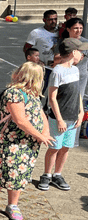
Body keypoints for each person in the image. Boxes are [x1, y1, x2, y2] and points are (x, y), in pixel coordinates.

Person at [0, 62, 54, 220]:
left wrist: (45, 132)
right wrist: (40, 135)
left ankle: (12, 205)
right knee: (5, 176)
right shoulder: (14, 93)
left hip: (29, 143)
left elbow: (42, 114)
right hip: (12, 143)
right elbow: (20, 120)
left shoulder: (33, 94)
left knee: (21, 176)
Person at [37, 39, 88, 192]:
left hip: (73, 118)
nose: (82, 54)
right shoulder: (58, 71)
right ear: (73, 53)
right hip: (59, 118)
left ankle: (57, 174)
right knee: (54, 147)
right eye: (80, 51)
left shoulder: (75, 70)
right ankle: (46, 174)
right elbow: (52, 98)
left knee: (66, 147)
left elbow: (77, 94)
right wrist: (59, 119)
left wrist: (81, 112)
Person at [23, 10, 59, 91]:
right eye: (50, 19)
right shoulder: (36, 33)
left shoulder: (60, 32)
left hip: (57, 68)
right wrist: (35, 62)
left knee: (55, 94)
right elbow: (26, 48)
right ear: (44, 20)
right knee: (38, 91)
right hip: (42, 68)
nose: (53, 22)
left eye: (55, 19)